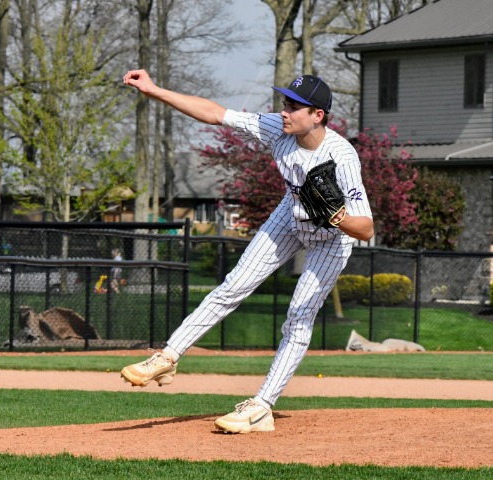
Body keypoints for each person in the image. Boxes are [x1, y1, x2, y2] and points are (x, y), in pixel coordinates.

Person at [120, 69, 374, 434]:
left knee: (298, 317)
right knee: (232, 286)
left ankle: (261, 406)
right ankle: (168, 356)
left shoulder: (342, 157)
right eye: (285, 103)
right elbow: (215, 113)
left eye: (294, 106)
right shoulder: (277, 129)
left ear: (318, 115)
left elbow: (365, 228)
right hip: (290, 217)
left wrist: (337, 216)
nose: (285, 111)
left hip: (331, 238)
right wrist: (155, 90)